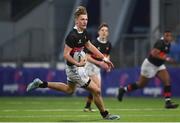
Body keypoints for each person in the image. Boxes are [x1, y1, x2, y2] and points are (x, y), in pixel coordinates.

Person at [26, 6, 120, 120]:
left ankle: (40, 84)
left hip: (76, 69)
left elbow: (89, 46)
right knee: (97, 90)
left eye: (86, 19)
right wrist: (78, 64)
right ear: (76, 20)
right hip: (75, 70)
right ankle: (105, 115)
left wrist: (103, 58)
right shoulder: (72, 36)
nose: (85, 21)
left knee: (69, 90)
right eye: (82, 19)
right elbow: (65, 55)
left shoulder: (84, 32)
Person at [117, 31, 179, 109]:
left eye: (170, 36)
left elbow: (162, 54)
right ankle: (123, 90)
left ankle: (168, 102)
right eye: (167, 35)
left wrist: (166, 59)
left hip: (159, 66)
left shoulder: (168, 44)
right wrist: (166, 58)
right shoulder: (160, 43)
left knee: (167, 80)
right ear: (164, 36)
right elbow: (153, 53)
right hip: (149, 65)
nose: (169, 37)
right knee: (141, 84)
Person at [83, 23, 112, 112]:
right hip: (89, 65)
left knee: (95, 88)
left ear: (108, 33)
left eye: (106, 31)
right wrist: (99, 63)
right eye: (102, 30)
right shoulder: (94, 43)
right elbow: (87, 57)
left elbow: (107, 56)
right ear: (98, 32)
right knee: (97, 88)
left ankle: (87, 106)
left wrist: (108, 64)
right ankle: (103, 110)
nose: (104, 32)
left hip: (97, 67)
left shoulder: (109, 45)